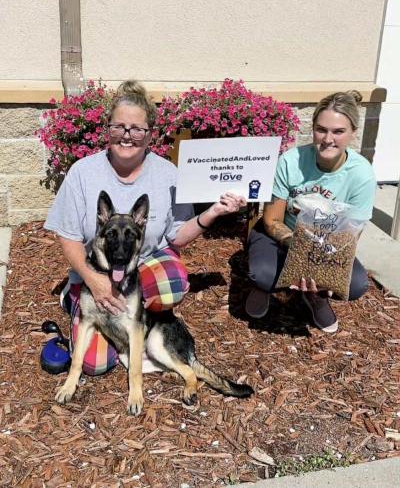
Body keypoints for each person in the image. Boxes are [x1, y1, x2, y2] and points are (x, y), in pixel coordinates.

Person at [45, 79, 245, 374]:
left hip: (144, 265)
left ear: (150, 134)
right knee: (95, 365)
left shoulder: (167, 174)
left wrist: (213, 212)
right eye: (119, 127)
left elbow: (176, 236)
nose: (127, 136)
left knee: (173, 283)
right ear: (108, 128)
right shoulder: (83, 173)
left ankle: (138, 320)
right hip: (95, 269)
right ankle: (80, 301)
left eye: (137, 129)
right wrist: (92, 279)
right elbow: (69, 235)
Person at [245, 91, 376, 333]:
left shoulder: (362, 174)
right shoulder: (291, 161)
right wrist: (299, 249)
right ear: (312, 129)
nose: (328, 139)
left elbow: (351, 235)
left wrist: (321, 266)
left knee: (355, 284)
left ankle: (316, 297)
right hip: (283, 236)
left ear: (353, 133)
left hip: (329, 244)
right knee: (261, 274)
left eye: (338, 131)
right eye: (321, 129)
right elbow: (272, 219)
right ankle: (263, 288)